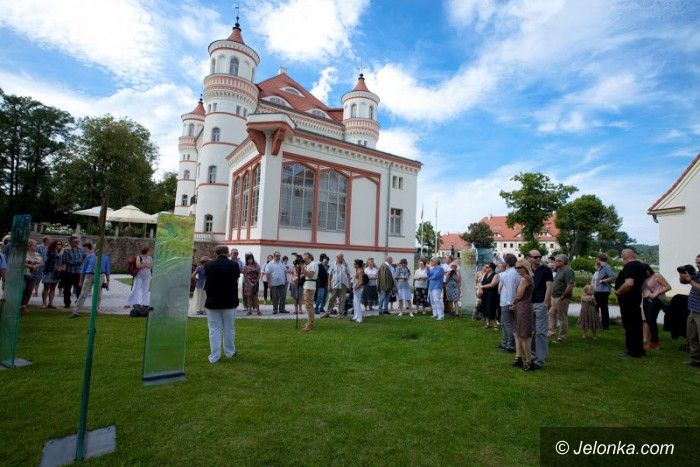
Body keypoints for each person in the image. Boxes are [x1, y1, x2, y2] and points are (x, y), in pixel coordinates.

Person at [204, 245, 240, 363]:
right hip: (229, 301)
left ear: (216, 253)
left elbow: (207, 279)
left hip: (213, 301)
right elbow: (235, 279)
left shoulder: (208, 265)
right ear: (227, 252)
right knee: (229, 328)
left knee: (214, 329)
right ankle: (230, 352)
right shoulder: (234, 265)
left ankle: (214, 356)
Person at [614, 249, 647, 358]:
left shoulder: (630, 266)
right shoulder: (641, 266)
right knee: (636, 325)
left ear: (624, 257)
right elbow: (644, 283)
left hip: (628, 300)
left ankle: (632, 351)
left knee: (630, 326)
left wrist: (618, 291)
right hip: (636, 299)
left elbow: (629, 283)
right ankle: (639, 349)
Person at [527, 250, 552, 370]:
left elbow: (549, 286)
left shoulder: (546, 270)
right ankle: (532, 355)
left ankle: (539, 361)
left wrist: (546, 303)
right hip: (530, 303)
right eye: (535, 257)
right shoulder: (528, 270)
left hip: (540, 303)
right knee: (532, 332)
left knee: (541, 332)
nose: (538, 259)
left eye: (539, 257)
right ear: (529, 258)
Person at [71, 243, 111, 318]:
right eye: (96, 248)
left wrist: (108, 281)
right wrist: (80, 281)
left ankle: (95, 311)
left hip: (100, 275)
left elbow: (107, 270)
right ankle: (76, 311)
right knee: (83, 294)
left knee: (98, 295)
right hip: (89, 275)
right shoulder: (89, 256)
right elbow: (83, 269)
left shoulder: (106, 258)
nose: (97, 250)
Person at [511, 259, 534, 371]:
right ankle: (518, 358)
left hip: (523, 308)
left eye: (519, 268)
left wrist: (513, 302)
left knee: (524, 335)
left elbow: (519, 295)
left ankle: (529, 361)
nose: (517, 270)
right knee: (517, 333)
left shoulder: (525, 279)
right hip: (522, 307)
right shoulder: (527, 278)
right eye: (516, 268)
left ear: (525, 268)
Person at [642, 264, 671, 349]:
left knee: (651, 321)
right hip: (646, 299)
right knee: (648, 321)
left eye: (644, 271)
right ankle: (652, 341)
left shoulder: (656, 275)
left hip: (656, 300)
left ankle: (655, 342)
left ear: (648, 269)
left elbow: (668, 287)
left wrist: (655, 294)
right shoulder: (643, 278)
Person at [549, 254, 575, 343]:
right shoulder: (559, 270)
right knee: (551, 313)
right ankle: (551, 331)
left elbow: (570, 285)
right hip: (555, 297)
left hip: (562, 298)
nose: (555, 262)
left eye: (556, 261)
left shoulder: (568, 271)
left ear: (562, 262)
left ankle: (562, 337)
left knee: (562, 317)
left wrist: (563, 296)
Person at [682, 255, 700, 367]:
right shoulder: (697, 274)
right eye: (696, 262)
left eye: (699, 263)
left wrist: (690, 280)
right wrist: (682, 275)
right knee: (692, 337)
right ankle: (695, 360)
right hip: (693, 310)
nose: (697, 265)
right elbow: (683, 282)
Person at [499, 254, 519, 352]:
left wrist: (511, 303)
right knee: (505, 323)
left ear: (506, 262)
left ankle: (510, 345)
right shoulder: (510, 272)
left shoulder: (511, 273)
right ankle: (505, 343)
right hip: (505, 301)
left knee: (508, 324)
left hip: (507, 302)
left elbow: (511, 289)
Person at [61, 236, 85, 308]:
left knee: (79, 288)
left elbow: (84, 259)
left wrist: (79, 262)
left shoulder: (81, 250)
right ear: (71, 242)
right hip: (69, 272)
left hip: (78, 272)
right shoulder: (66, 250)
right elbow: (65, 260)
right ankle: (67, 303)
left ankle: (79, 303)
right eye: (75, 241)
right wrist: (77, 262)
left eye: (78, 241)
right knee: (67, 289)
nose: (77, 242)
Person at [593, 253, 615, 330]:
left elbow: (613, 276)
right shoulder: (601, 267)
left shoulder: (606, 267)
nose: (596, 260)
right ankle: (596, 323)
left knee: (603, 308)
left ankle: (605, 326)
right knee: (596, 306)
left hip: (603, 290)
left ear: (599, 259)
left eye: (597, 259)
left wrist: (603, 281)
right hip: (599, 290)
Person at [325, 253, 351, 318]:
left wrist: (349, 284)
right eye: (340, 257)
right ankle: (327, 313)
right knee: (331, 299)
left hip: (343, 284)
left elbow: (348, 274)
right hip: (334, 284)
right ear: (337, 257)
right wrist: (329, 285)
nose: (342, 258)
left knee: (342, 299)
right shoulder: (333, 264)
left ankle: (340, 313)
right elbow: (330, 275)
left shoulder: (345, 264)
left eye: (342, 256)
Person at [21, 239, 43, 313]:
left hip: (33, 274)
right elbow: (21, 262)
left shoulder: (37, 254)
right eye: (34, 245)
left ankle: (24, 305)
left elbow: (41, 262)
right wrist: (30, 266)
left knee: (29, 290)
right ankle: (19, 304)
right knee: (23, 289)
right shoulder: (24, 253)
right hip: (24, 274)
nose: (36, 246)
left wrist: (36, 266)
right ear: (29, 246)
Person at [40, 240, 62, 309]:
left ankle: (50, 303)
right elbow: (50, 259)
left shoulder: (59, 252)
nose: (59, 245)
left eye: (60, 244)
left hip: (57, 272)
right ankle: (44, 303)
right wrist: (56, 267)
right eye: (58, 244)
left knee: (53, 288)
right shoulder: (50, 251)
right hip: (49, 271)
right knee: (46, 287)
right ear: (54, 244)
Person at [478, 262, 500, 329]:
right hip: (485, 294)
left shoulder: (496, 275)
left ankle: (495, 325)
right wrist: (480, 288)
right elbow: (480, 282)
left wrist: (482, 287)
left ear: (491, 268)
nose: (485, 268)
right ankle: (487, 323)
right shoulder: (485, 274)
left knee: (491, 308)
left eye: (487, 267)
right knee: (485, 307)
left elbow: (492, 284)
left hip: (492, 294)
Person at [301, 252, 319, 331]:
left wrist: (303, 268)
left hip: (310, 287)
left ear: (310, 258)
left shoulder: (313, 264)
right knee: (308, 305)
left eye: (305, 258)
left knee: (309, 306)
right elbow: (303, 274)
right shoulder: (308, 265)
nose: (304, 260)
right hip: (307, 285)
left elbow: (311, 275)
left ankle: (310, 324)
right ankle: (309, 322)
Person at [352, 259, 365, 323]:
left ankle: (359, 319)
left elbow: (361, 282)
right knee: (355, 303)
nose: (353, 265)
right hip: (357, 289)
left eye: (354, 264)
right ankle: (356, 316)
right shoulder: (358, 270)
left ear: (357, 265)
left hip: (358, 289)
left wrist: (356, 287)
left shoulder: (359, 271)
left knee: (358, 303)